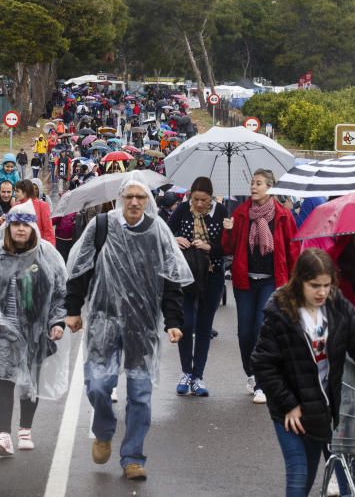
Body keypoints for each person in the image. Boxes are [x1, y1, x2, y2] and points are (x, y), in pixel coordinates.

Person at [65, 171, 193, 481]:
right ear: (120, 199)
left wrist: (173, 321)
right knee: (97, 385)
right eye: (129, 197)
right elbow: (80, 269)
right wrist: (72, 309)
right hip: (104, 320)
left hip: (142, 325)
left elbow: (171, 279)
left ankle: (133, 456)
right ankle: (104, 430)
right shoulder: (102, 226)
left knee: (139, 393)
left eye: (141, 197)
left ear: (148, 200)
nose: (134, 202)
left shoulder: (158, 231)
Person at [251, 249, 355, 497]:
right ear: (299, 281)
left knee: (307, 478)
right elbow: (263, 363)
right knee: (298, 472)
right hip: (289, 409)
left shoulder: (338, 307)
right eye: (315, 285)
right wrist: (288, 404)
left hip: (321, 409)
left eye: (327, 285)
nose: (322, 292)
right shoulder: (280, 311)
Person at [0, 200, 68, 456]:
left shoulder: (47, 255)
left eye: (25, 225)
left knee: (30, 381)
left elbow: (60, 291)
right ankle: (3, 434)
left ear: (33, 228)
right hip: (2, 331)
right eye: (15, 224)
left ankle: (25, 429)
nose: (19, 230)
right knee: (4, 381)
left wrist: (56, 322)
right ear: (8, 226)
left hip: (35, 331)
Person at [222, 168, 300, 404]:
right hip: (245, 281)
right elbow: (228, 248)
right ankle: (251, 371)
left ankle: (261, 382)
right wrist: (228, 231)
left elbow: (293, 249)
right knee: (244, 333)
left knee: (260, 327)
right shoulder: (241, 213)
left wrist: (295, 283)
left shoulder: (283, 216)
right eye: (252, 183)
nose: (253, 187)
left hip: (272, 280)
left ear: (270, 187)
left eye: (258, 183)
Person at [169, 177, 227, 397]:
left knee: (204, 326)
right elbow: (165, 232)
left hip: (212, 276)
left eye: (204, 200)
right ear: (190, 196)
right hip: (186, 275)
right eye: (196, 199)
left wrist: (209, 246)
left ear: (211, 198)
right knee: (186, 323)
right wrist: (176, 239)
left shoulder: (221, 212)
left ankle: (198, 376)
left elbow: (227, 247)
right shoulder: (182, 209)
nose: (199, 204)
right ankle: (185, 372)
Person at [14, 180, 55, 247]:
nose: (15, 193)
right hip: (20, 247)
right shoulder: (16, 206)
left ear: (25, 192)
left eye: (17, 191)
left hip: (37, 246)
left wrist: (50, 248)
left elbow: (48, 230)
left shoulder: (42, 205)